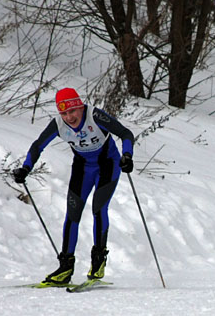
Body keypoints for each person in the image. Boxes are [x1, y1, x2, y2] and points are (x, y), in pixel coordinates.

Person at [12, 88, 136, 286]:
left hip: (108, 165)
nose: (69, 117)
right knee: (72, 214)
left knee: (98, 209)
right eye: (64, 113)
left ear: (80, 107)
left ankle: (98, 262)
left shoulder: (94, 115)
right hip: (83, 168)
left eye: (72, 111)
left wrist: (127, 155)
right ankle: (65, 267)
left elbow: (125, 133)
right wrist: (26, 168)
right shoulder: (58, 124)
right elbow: (38, 146)